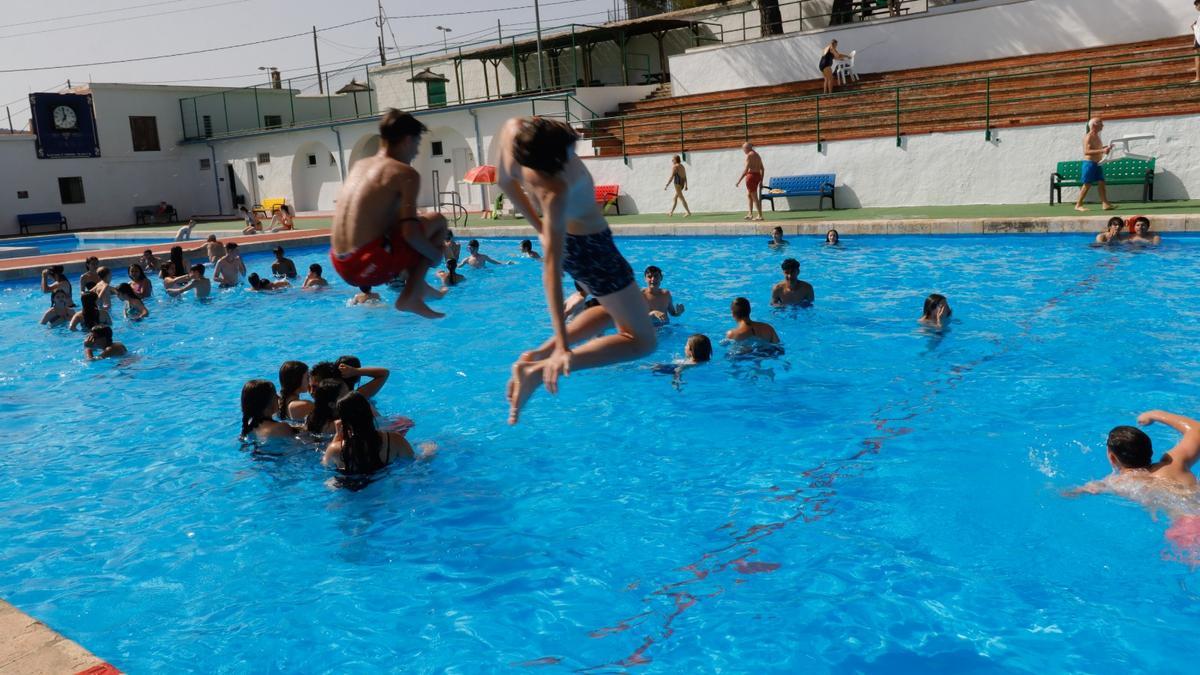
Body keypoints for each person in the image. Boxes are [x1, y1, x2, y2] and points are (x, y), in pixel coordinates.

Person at [495, 116, 657, 424]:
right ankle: (538, 370)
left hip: (578, 247)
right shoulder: (555, 191)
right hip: (593, 250)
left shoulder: (512, 130)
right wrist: (564, 346)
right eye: (570, 150)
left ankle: (535, 357)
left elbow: (504, 181)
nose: (574, 151)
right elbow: (550, 273)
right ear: (554, 160)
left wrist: (538, 228)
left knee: (612, 311)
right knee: (642, 341)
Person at [330, 109, 448, 318]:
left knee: (408, 226)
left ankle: (417, 286)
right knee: (438, 222)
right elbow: (411, 234)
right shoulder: (405, 173)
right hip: (366, 264)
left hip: (340, 264)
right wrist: (436, 256)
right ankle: (412, 292)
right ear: (407, 140)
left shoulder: (360, 165)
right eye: (417, 144)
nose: (416, 152)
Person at [1070, 411, 1199, 498]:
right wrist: (1154, 414)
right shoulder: (1173, 463)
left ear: (1112, 458)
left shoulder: (1120, 482)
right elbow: (1196, 430)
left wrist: (1075, 491)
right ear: (1151, 451)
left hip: (1188, 527)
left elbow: (1093, 488)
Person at [322, 391, 416, 473]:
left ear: (344, 421)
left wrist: (337, 436)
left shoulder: (335, 449)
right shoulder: (394, 440)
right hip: (383, 487)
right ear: (369, 412)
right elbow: (413, 461)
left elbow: (325, 464)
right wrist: (428, 451)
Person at [1074, 117, 1115, 212]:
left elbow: (1098, 148)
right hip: (1089, 163)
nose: (1102, 125)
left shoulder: (1097, 136)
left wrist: (1107, 147)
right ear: (1094, 125)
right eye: (1100, 123)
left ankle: (1105, 203)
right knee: (1087, 184)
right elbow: (1086, 151)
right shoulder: (1088, 136)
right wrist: (1102, 150)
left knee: (1101, 182)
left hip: (1097, 164)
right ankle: (1078, 204)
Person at [735, 142, 765, 222]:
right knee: (749, 195)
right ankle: (750, 214)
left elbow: (746, 170)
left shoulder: (749, 155)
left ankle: (760, 215)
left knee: (754, 197)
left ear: (747, 148)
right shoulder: (757, 155)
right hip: (757, 176)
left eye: (743, 149)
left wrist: (739, 181)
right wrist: (761, 181)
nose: (743, 150)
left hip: (751, 177)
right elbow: (762, 169)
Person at [1192, 1, 1200, 84]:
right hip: (1198, 39)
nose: (1196, 6)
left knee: (1197, 58)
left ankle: (1198, 77)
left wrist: (1194, 26)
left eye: (1197, 4)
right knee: (1196, 57)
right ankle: (1197, 71)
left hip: (1199, 40)